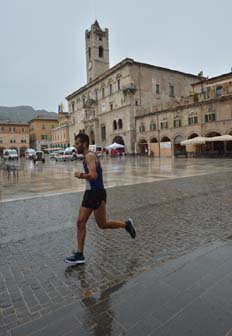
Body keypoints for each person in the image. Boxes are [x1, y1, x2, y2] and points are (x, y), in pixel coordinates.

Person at [64, 133, 136, 265]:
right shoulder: (88, 156)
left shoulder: (89, 156)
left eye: (78, 143)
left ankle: (80, 254)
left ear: (85, 143)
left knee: (81, 223)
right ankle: (126, 224)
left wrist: (80, 175)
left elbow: (93, 175)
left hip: (95, 193)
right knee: (101, 224)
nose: (76, 146)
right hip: (95, 192)